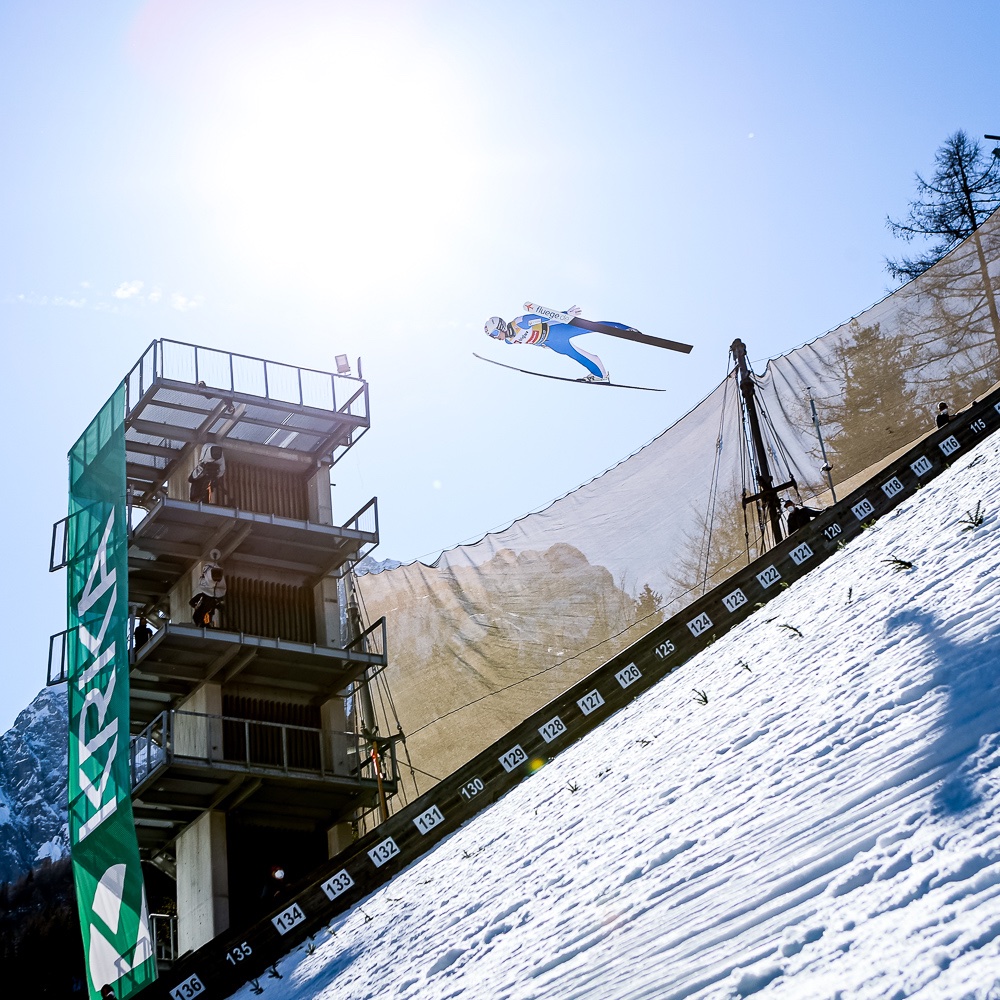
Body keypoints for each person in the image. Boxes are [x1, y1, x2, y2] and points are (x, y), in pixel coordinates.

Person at [484, 307, 611, 382]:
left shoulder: (519, 322)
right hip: (552, 343)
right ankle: (600, 375)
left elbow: (542, 317)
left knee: (593, 327)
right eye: (492, 336)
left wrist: (566, 314)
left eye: (495, 333)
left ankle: (627, 331)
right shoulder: (509, 341)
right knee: (577, 355)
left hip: (556, 330)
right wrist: (541, 345)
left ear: (500, 326)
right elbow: (527, 340)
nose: (495, 338)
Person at [190, 553, 227, 628]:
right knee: (203, 625)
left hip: (205, 619)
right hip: (200, 618)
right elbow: (191, 602)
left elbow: (219, 606)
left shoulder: (213, 598)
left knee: (206, 625)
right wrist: (196, 606)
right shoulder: (202, 596)